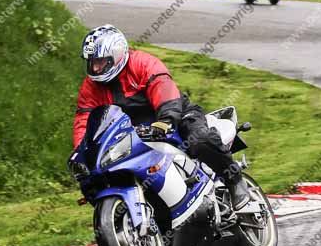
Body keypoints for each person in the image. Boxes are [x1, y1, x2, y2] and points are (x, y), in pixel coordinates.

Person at [73, 24, 251, 210]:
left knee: (198, 139)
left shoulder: (142, 63)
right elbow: (84, 121)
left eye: (100, 61)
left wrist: (166, 120)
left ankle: (234, 180)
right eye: (91, 62)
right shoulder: (90, 87)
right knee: (95, 178)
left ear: (116, 55)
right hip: (136, 134)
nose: (95, 67)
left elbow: (164, 90)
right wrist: (84, 153)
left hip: (175, 115)